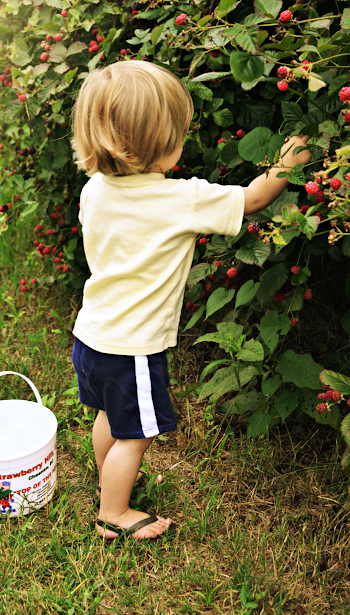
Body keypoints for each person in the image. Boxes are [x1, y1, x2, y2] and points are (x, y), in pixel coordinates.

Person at [70, 60, 311, 541]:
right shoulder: (181, 199)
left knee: (109, 417)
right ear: (160, 145)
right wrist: (289, 161)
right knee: (137, 434)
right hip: (133, 348)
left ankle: (108, 484)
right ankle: (113, 512)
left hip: (92, 335)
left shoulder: (95, 188)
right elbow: (254, 199)